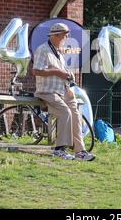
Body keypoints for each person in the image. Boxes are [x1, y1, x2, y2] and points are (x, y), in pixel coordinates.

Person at [32, 23, 95, 161]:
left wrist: (68, 75)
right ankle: (59, 150)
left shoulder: (58, 51)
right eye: (66, 34)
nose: (68, 37)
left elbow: (61, 72)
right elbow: (36, 70)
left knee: (76, 114)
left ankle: (80, 151)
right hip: (47, 91)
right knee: (65, 112)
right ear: (57, 35)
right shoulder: (43, 50)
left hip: (63, 90)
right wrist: (59, 72)